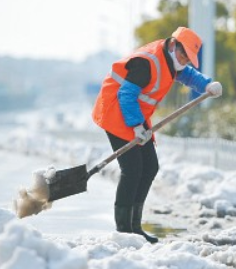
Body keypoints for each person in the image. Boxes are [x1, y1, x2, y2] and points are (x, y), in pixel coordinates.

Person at [91, 26, 222, 243]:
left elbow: (188, 75)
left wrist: (207, 84)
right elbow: (126, 94)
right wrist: (135, 126)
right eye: (183, 55)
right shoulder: (147, 62)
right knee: (132, 169)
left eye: (189, 58)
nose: (185, 61)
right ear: (173, 44)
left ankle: (135, 227)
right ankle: (123, 232)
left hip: (134, 113)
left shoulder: (173, 60)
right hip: (116, 112)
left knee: (150, 166)